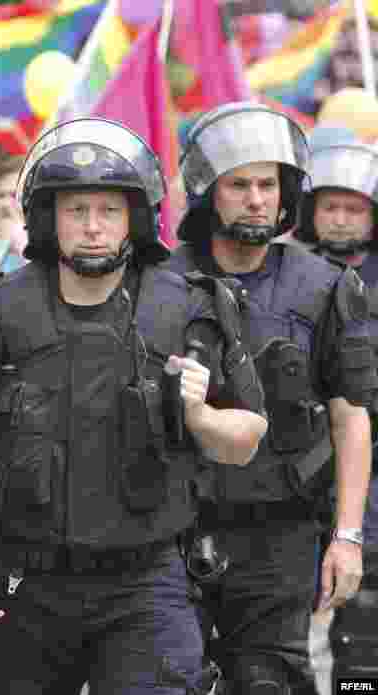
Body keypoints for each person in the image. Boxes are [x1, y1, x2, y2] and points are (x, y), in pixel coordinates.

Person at [0, 117, 269, 694]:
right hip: (21, 580)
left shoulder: (191, 307)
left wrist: (200, 415)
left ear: (134, 218)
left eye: (108, 210)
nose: (92, 227)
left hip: (145, 582)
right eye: (75, 210)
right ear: (46, 218)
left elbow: (247, 436)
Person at [164, 102, 374, 695]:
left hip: (280, 532)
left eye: (268, 184)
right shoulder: (158, 285)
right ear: (209, 192)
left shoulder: (327, 287)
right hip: (171, 529)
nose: (257, 199)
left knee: (269, 682)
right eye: (239, 185)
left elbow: (350, 416)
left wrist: (347, 536)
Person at [280, 142, 378, 683]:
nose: (341, 220)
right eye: (330, 207)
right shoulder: (283, 274)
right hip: (296, 486)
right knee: (288, 643)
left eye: (355, 208)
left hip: (369, 484)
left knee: (363, 651)